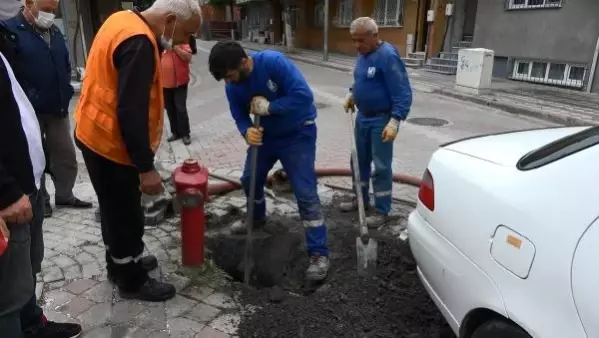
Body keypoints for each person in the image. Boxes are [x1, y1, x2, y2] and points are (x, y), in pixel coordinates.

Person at [73, 0, 202, 301]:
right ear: (170, 19)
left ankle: (121, 262)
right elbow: (131, 111)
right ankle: (131, 280)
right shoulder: (140, 44)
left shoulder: (122, 20)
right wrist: (146, 167)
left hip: (93, 131)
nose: (186, 42)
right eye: (186, 33)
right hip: (111, 144)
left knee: (112, 208)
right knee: (125, 213)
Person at [208, 41, 330, 281]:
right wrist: (246, 131)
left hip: (298, 134)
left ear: (244, 62)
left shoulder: (273, 63)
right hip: (265, 136)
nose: (229, 82)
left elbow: (304, 97)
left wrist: (271, 107)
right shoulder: (232, 85)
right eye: (224, 78)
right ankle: (257, 218)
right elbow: (238, 113)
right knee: (249, 178)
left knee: (305, 192)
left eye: (230, 75)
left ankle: (319, 253)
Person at [0, 37, 81, 338]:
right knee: (7, 295)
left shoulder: (7, 40)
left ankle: (32, 323)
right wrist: (5, 191)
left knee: (28, 266)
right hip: (10, 194)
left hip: (27, 180)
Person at [2, 0, 93, 218]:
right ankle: (40, 199)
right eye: (46, 10)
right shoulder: (11, 29)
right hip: (31, 109)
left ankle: (65, 194)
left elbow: (64, 61)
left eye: (54, 10)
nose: (50, 14)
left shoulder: (54, 31)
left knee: (66, 155)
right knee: (35, 154)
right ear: (29, 3)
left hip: (57, 104)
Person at [340, 17, 413, 228]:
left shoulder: (387, 56)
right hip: (362, 117)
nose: (356, 45)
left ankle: (382, 210)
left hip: (381, 119)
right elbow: (360, 80)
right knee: (357, 161)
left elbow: (402, 92)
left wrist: (395, 121)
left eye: (361, 40)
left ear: (375, 36)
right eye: (353, 40)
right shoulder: (363, 55)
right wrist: (352, 93)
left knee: (380, 166)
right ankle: (360, 199)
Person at [162, 41, 193, 145]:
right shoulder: (160, 43)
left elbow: (188, 57)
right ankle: (175, 132)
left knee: (180, 109)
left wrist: (175, 48)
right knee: (170, 109)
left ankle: (185, 134)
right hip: (164, 83)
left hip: (180, 82)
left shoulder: (181, 40)